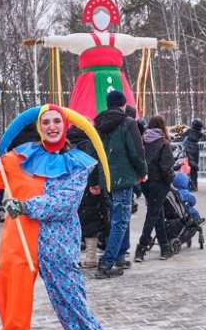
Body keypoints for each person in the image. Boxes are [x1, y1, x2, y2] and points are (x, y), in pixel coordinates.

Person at [0, 104, 130, 330]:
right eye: (46, 121)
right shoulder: (20, 156)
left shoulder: (76, 162)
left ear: (66, 125)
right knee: (14, 314)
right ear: (40, 126)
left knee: (74, 307)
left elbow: (64, 204)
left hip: (58, 245)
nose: (52, 126)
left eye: (57, 121)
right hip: (19, 244)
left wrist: (26, 206)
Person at [25, 0, 174, 120]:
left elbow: (137, 42)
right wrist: (44, 41)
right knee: (93, 116)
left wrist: (157, 43)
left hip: (105, 82)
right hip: (94, 83)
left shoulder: (116, 39)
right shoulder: (87, 39)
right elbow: (65, 40)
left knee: (106, 115)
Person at [90, 90, 148, 279]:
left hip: (106, 179)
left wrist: (94, 181)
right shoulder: (128, 123)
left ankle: (120, 255)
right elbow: (137, 151)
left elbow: (92, 155)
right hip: (122, 178)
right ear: (123, 104)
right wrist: (142, 171)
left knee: (116, 218)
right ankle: (106, 263)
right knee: (120, 221)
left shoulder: (97, 125)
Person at [134, 115, 175, 262]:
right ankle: (141, 247)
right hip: (159, 182)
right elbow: (167, 166)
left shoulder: (142, 141)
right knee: (153, 214)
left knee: (157, 213)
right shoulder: (164, 143)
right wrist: (170, 179)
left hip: (145, 182)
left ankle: (165, 247)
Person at [68, 125, 108, 269]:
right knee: (91, 220)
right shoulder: (88, 145)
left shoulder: (65, 146)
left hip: (69, 190)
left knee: (72, 223)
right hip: (87, 188)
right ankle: (91, 257)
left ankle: (73, 258)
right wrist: (94, 183)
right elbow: (94, 166)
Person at [181, 118, 206, 191]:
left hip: (188, 149)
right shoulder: (200, 134)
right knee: (194, 169)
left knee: (187, 168)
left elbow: (182, 136)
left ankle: (189, 185)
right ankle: (194, 186)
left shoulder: (190, 131)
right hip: (195, 151)